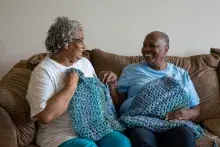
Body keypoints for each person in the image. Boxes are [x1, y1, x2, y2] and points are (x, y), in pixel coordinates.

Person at [26, 16, 131, 147]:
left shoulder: (84, 63)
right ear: (66, 42)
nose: (84, 46)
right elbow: (46, 116)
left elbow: (95, 98)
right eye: (80, 41)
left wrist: (107, 83)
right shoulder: (44, 71)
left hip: (93, 127)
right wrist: (70, 86)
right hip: (60, 135)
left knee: (122, 143)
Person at [112, 31, 202, 147]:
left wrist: (188, 113)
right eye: (144, 45)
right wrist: (112, 85)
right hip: (139, 121)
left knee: (185, 137)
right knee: (142, 139)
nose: (146, 49)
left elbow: (196, 108)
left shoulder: (180, 74)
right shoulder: (130, 70)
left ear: (165, 49)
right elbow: (118, 104)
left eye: (152, 45)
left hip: (172, 122)